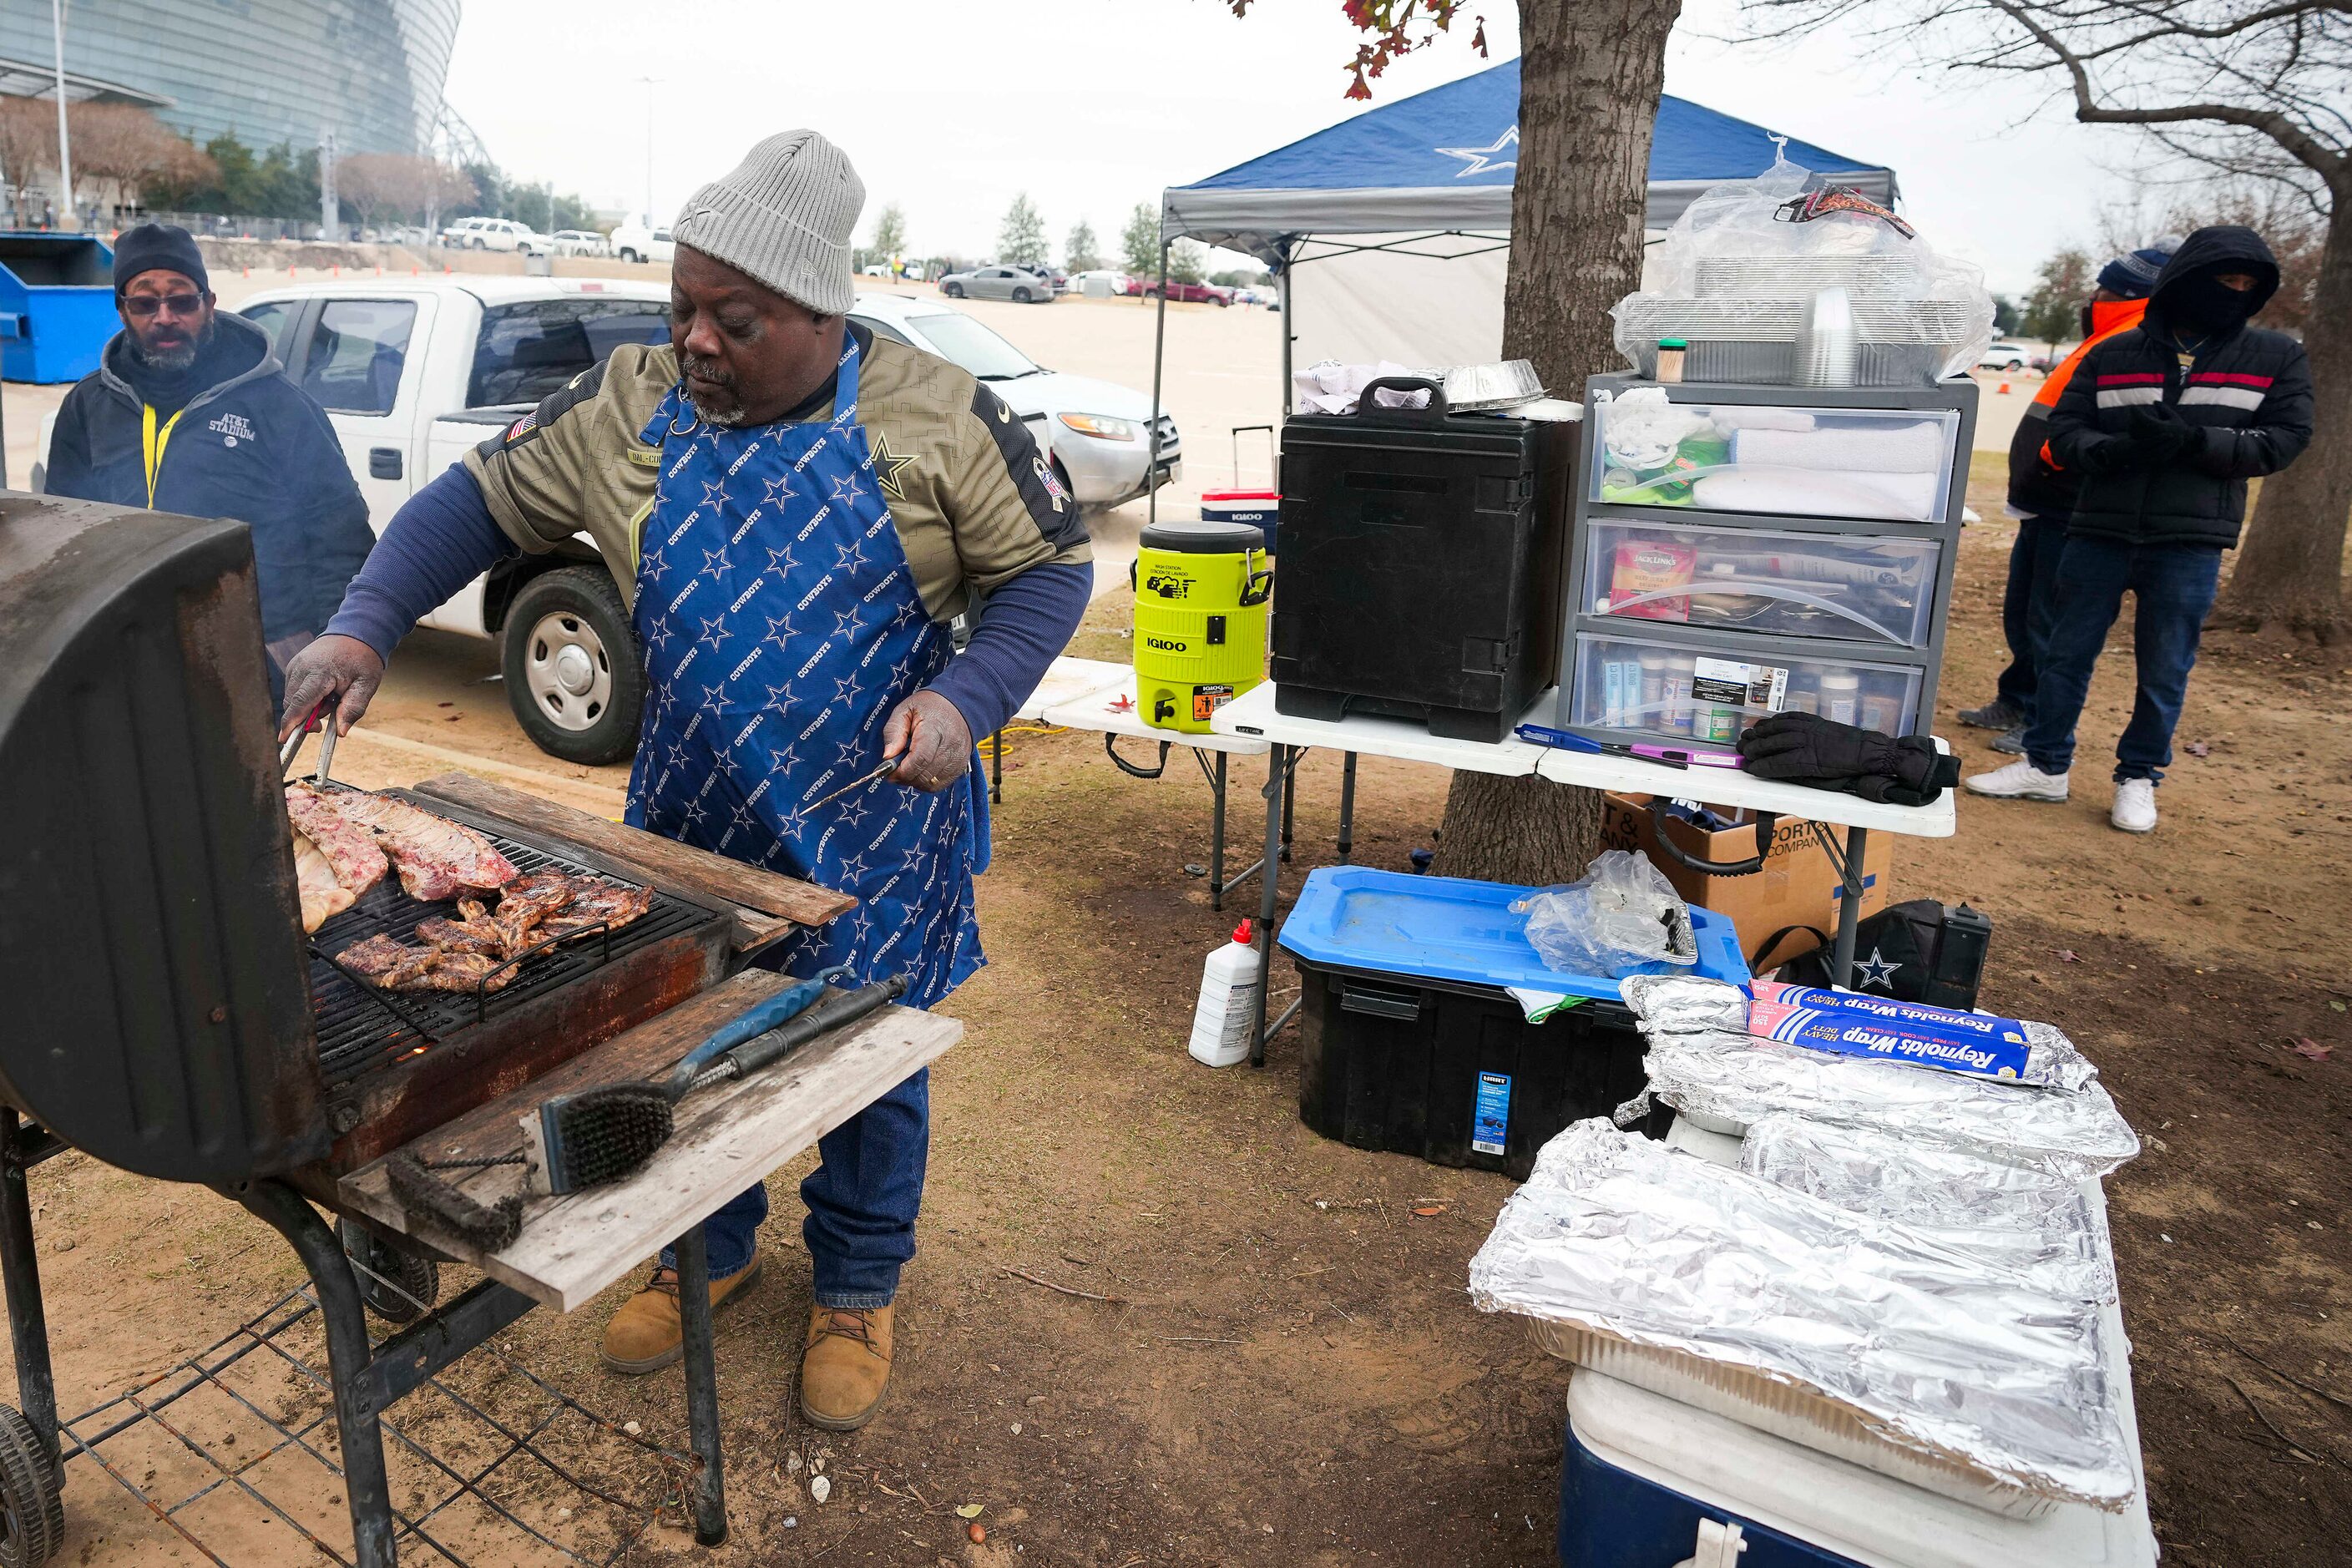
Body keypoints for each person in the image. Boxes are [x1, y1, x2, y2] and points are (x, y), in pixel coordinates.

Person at [279, 130, 1093, 1431]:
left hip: (870, 820)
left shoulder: (939, 416)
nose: (697, 340)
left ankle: (858, 1282)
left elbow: (1048, 572)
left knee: (865, 1059)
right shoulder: (628, 402)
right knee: (685, 1046)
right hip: (693, 813)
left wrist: (965, 698)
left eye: (737, 317)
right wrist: (367, 620)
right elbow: (477, 504)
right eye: (682, 307)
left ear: (822, 313)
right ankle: (701, 1251)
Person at [1965, 225, 2313, 832]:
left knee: (2163, 668)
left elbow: (2284, 440)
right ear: (2185, 279)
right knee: (2063, 656)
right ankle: (2044, 765)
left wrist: (2196, 442)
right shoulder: (2112, 352)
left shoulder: (2276, 356)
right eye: (2222, 280)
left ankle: (2137, 778)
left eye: (2245, 285)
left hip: (2188, 540)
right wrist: (2107, 452)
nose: (2233, 292)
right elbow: (2065, 430)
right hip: (2096, 528)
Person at [43, 222, 375, 697]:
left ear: (209, 304)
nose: (165, 317)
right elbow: (64, 534)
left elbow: (342, 538)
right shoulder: (88, 406)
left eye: (181, 300)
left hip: (253, 666)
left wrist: (317, 649)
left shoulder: (279, 406)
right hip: (122, 656)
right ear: (121, 309)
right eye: (144, 302)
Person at [1956, 240, 2174, 754]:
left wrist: (2058, 459)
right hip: (2046, 501)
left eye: (2104, 287)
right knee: (2023, 611)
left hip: (2073, 502)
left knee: (2051, 620)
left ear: (2127, 292)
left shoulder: (2134, 337)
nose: (2093, 296)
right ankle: (2016, 696)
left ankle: (2039, 720)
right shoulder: (2105, 334)